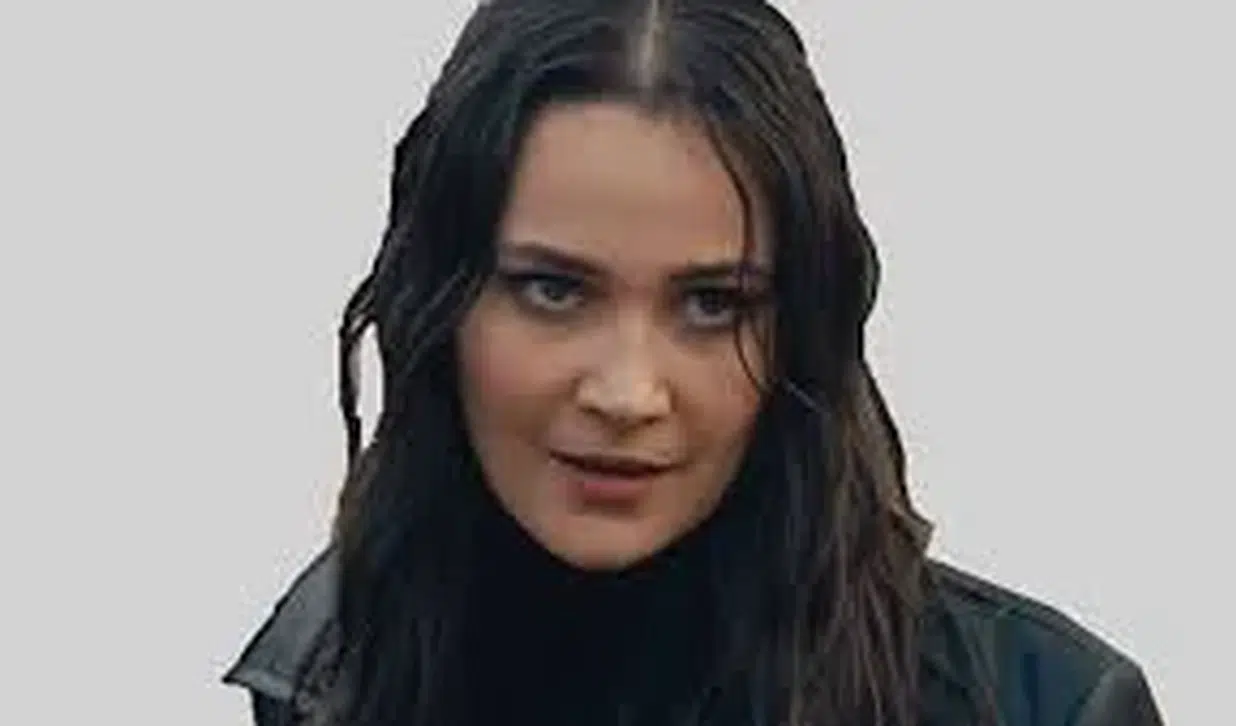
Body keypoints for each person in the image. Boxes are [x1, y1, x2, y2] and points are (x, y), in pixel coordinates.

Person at [223, 1, 1165, 724]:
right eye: (554, 290)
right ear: (440, 304)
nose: (628, 392)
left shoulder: (1042, 708)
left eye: (714, 305)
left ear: (803, 329)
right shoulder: (334, 673)